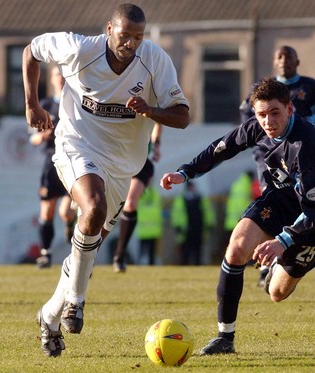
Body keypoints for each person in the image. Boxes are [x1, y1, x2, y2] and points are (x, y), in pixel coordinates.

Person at [22, 3, 189, 357]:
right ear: (109, 29)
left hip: (121, 167)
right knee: (93, 209)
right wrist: (32, 105)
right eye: (125, 35)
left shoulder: (155, 60)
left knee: (88, 248)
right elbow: (31, 51)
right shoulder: (79, 48)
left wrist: (149, 110)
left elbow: (183, 116)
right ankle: (76, 304)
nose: (131, 43)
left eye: (138, 37)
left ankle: (48, 317)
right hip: (75, 145)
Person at [160, 78, 315, 355]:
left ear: (290, 109)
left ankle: (279, 267)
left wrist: (282, 242)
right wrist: (185, 172)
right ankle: (225, 338)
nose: (268, 121)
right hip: (281, 200)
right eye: (262, 114)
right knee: (236, 248)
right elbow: (221, 148)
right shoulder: (257, 127)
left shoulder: (306, 143)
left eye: (275, 112)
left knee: (277, 293)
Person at [240, 45, 315, 285]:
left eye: (289, 57)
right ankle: (268, 259)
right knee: (275, 201)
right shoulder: (262, 91)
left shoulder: (311, 88)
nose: (284, 60)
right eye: (279, 56)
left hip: (304, 156)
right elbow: (246, 118)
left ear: (297, 62)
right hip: (271, 158)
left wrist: (310, 128)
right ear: (274, 62)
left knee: (304, 203)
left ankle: (281, 253)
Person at [29, 66, 76, 269]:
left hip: (72, 160)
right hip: (51, 163)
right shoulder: (45, 104)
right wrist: (42, 136)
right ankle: (45, 254)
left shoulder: (76, 103)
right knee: (47, 210)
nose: (62, 78)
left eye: (65, 74)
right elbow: (33, 138)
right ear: (52, 78)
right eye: (58, 74)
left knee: (65, 211)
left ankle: (69, 226)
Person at [112, 123, 162, 273]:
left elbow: (158, 119)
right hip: (112, 158)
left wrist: (157, 143)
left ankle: (119, 255)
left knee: (131, 204)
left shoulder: (146, 99)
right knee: (102, 207)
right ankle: (87, 256)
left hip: (139, 160)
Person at [170, 181, 216, 265]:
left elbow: (208, 212)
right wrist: (178, 225)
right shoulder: (181, 199)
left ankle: (197, 265)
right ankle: (185, 266)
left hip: (198, 228)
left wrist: (210, 224)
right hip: (186, 230)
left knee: (198, 251)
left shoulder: (201, 199)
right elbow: (177, 213)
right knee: (186, 252)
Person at [135, 182, 163, 265]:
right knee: (150, 254)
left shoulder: (149, 193)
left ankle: (141, 266)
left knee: (146, 254)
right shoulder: (153, 193)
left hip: (147, 231)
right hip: (151, 231)